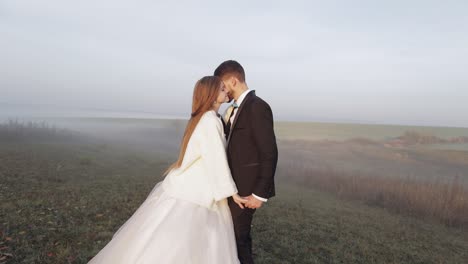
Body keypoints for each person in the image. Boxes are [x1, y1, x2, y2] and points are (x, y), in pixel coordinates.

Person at [88, 76, 247, 264]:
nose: (226, 91)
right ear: (211, 95)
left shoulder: (201, 119)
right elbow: (216, 159)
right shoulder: (210, 121)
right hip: (197, 192)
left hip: (190, 187)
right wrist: (231, 192)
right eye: (221, 89)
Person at [214, 60, 278, 264]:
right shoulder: (230, 110)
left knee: (239, 239)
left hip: (247, 191)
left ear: (234, 80)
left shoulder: (257, 107)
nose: (222, 90)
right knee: (229, 238)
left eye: (223, 85)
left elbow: (269, 153)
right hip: (230, 187)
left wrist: (260, 193)